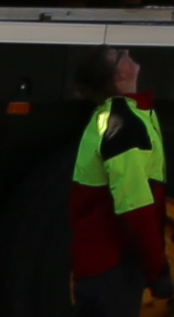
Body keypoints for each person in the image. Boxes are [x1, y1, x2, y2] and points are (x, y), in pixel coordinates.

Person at [66, 49, 168, 317]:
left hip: (99, 266)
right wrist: (157, 269)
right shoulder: (125, 125)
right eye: (120, 55)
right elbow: (135, 206)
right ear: (120, 74)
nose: (127, 53)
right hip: (113, 268)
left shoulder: (112, 117)